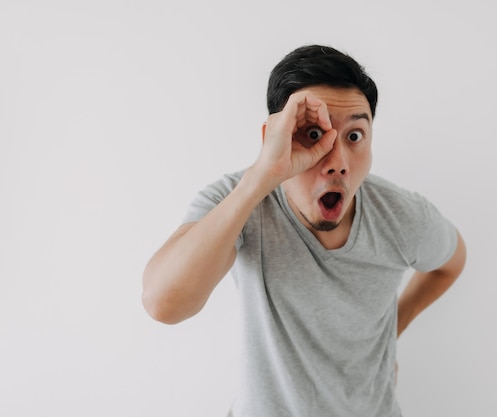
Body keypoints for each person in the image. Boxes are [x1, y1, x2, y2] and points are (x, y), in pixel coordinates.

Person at [142, 44, 466, 417]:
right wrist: (262, 176)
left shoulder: (402, 217)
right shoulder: (239, 201)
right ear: (272, 139)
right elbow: (163, 303)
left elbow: (451, 263)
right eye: (313, 134)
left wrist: (390, 333)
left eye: (355, 136)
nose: (338, 163)